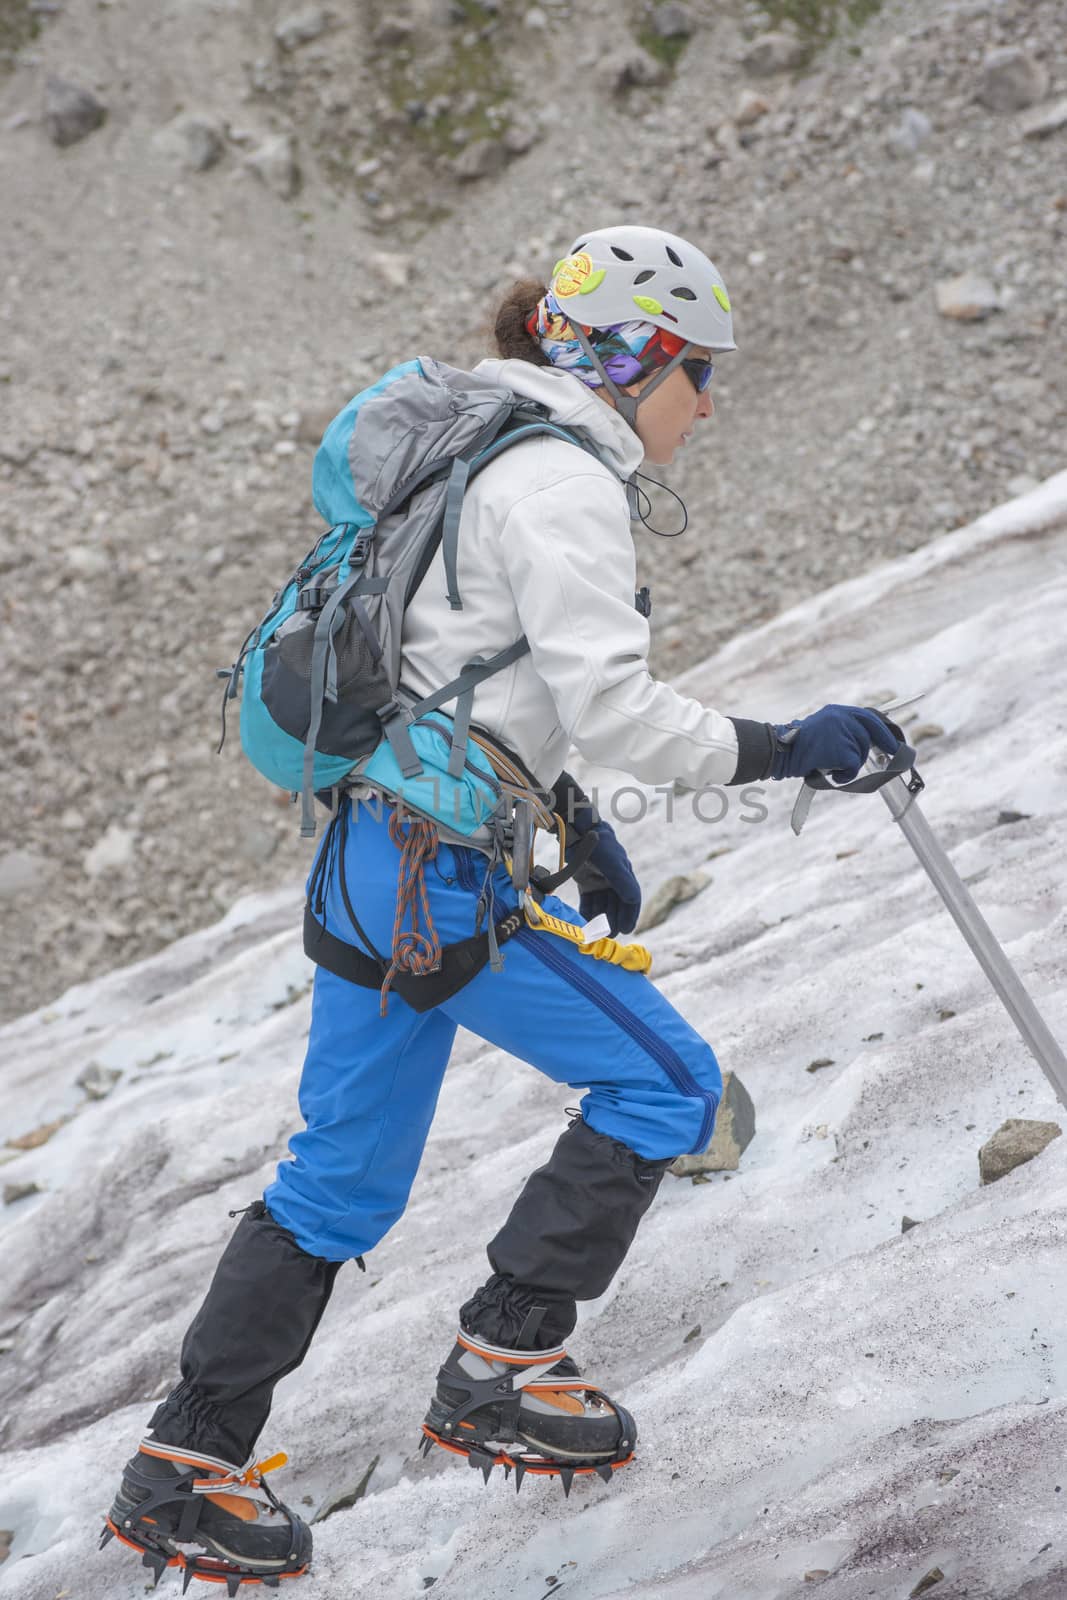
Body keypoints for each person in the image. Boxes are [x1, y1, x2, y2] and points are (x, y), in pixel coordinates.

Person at [102, 224, 898, 1589]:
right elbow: (619, 707)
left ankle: (184, 1463)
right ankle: (500, 1369)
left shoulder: (490, 450)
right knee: (668, 1082)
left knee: (338, 1183)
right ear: (639, 361)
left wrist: (570, 818)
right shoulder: (561, 485)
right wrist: (791, 744)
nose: (708, 403)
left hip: (373, 858)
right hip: (439, 883)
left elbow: (471, 668)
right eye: (700, 372)